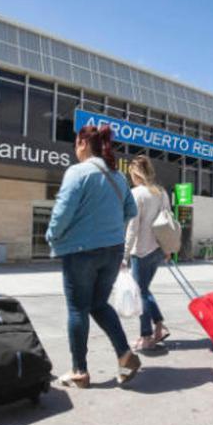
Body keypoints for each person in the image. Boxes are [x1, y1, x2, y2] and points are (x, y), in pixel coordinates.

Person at [47, 125, 141, 388]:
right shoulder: (118, 177)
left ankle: (80, 370)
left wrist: (53, 236)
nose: (75, 150)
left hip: (81, 252)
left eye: (77, 144)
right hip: (112, 250)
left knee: (77, 308)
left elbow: (63, 211)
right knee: (98, 304)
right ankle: (124, 354)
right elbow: (130, 210)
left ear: (84, 144)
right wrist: (109, 230)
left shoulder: (78, 172)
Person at [124, 155, 171, 352]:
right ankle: (159, 326)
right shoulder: (161, 192)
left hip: (141, 251)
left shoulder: (137, 194)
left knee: (139, 292)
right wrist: (167, 249)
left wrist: (124, 254)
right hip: (158, 250)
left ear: (136, 174)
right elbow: (169, 221)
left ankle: (146, 336)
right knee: (144, 289)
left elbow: (132, 228)